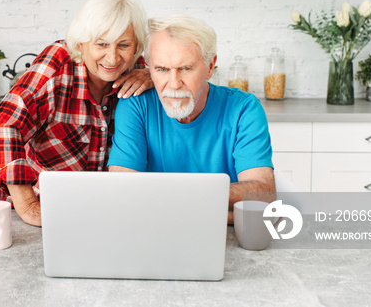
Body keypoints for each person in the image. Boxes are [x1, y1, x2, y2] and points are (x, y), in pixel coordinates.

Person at [0, 0, 152, 227]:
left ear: (136, 45)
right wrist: (27, 206)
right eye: (101, 44)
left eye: (124, 45)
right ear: (81, 43)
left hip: (79, 202)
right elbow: (3, 124)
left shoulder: (136, 67)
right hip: (23, 192)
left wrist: (153, 75)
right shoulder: (58, 63)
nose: (113, 57)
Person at [107, 15, 275, 223]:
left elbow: (263, 194)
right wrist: (216, 209)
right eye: (162, 70)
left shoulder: (243, 108)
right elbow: (122, 193)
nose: (174, 83)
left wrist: (169, 201)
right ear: (149, 69)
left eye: (185, 69)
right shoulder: (135, 104)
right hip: (156, 231)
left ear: (210, 67)